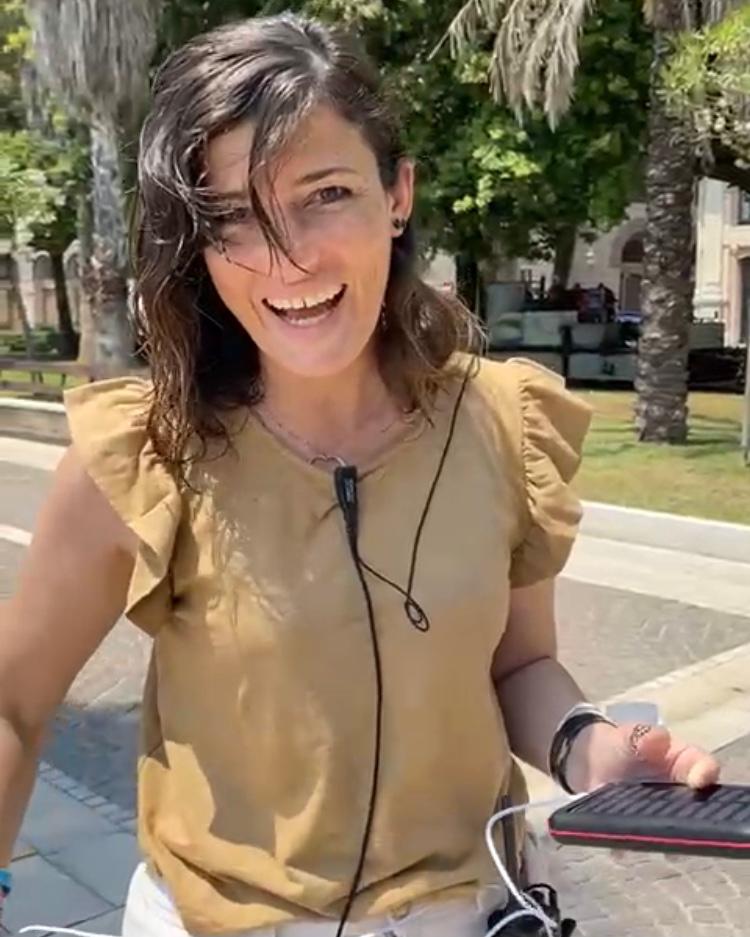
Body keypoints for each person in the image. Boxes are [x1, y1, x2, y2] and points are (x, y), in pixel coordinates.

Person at [0, 14, 720, 937]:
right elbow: (15, 704)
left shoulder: (502, 422)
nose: (288, 255)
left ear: (397, 194)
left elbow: (519, 662)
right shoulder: (144, 451)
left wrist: (590, 747)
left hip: (481, 914)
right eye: (234, 217)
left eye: (326, 194)